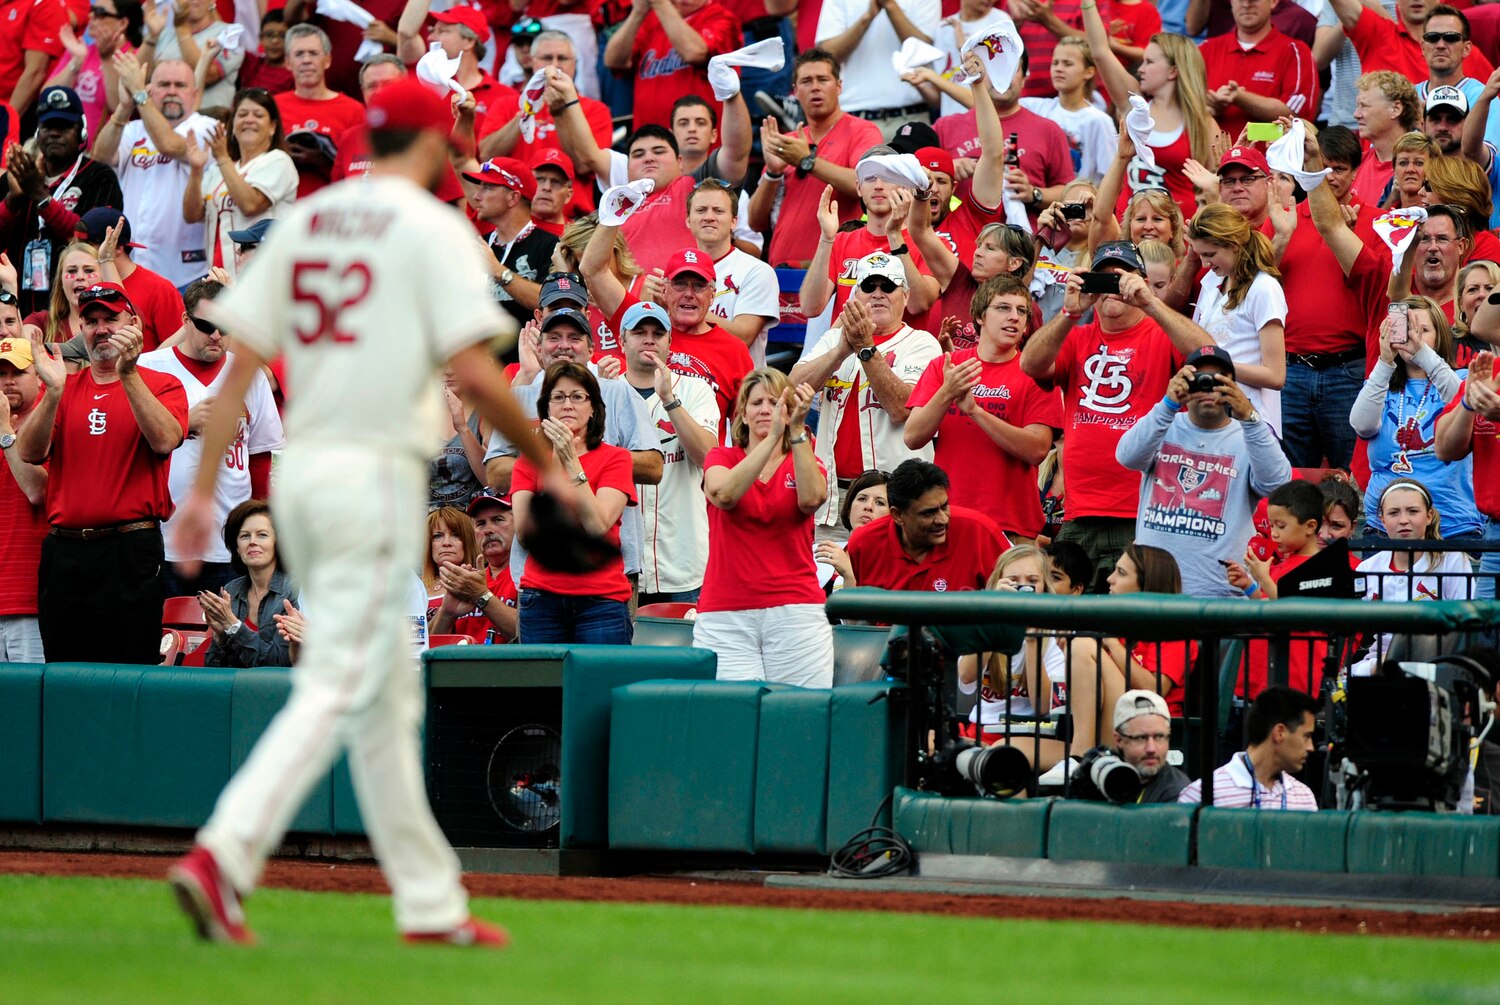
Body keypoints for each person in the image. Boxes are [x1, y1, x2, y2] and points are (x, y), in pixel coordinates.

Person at [167, 77, 558, 947]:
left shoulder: (309, 219)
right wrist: (548, 468)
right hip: (374, 472)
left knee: (388, 701)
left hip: (305, 472)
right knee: (343, 679)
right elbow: (480, 368)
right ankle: (222, 854)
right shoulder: (430, 227)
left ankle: (429, 903)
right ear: (427, 142)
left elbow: (239, 370)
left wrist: (200, 495)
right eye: (449, 138)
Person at [1020, 240, 1213, 593]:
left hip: (1143, 513)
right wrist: (1069, 312)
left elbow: (1208, 356)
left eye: (1119, 277)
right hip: (1080, 513)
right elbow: (1030, 364)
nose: (1111, 287)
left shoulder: (1160, 332)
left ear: (1138, 279)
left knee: (1129, 631)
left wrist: (1150, 302)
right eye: (1101, 278)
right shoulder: (1076, 337)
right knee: (1069, 630)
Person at [18, 281, 188, 666]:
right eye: (91, 320)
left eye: (110, 318)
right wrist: (54, 393)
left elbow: (165, 440)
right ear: (80, 329)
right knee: (63, 671)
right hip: (65, 551)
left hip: (128, 550)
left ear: (132, 321)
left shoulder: (162, 383)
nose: (101, 328)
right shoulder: (65, 387)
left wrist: (128, 374)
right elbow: (29, 452)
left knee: (129, 672)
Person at [481, 307, 664, 597]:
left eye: (574, 337)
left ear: (591, 347)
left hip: (608, 573)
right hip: (537, 576)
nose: (564, 345)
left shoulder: (618, 392)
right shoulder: (519, 397)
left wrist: (586, 461)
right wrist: (560, 462)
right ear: (539, 348)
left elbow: (654, 466)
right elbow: (495, 472)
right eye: (554, 337)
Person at [141, 277, 282, 596]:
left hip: (228, 542)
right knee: (166, 641)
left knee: (229, 641)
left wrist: (258, 529)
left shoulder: (249, 375)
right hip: (164, 540)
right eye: (206, 325)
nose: (217, 335)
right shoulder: (148, 368)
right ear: (185, 321)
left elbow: (260, 457)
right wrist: (182, 423)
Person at [1116, 345, 1292, 598]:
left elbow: (1278, 486)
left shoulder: (1251, 435)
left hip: (1220, 595)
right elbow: (1127, 456)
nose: (1208, 387)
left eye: (1218, 379)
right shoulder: (1163, 424)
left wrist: (1249, 416)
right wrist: (1167, 404)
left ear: (1234, 385)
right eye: (1199, 379)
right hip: (1154, 591)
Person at [695, 368, 831, 686]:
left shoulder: (803, 456)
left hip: (796, 610)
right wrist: (772, 439)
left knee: (799, 716)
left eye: (775, 402)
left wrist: (796, 431)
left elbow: (812, 500)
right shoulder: (721, 456)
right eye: (756, 403)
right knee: (731, 719)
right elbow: (723, 494)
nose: (766, 410)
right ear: (742, 412)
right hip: (725, 614)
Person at [790, 252, 942, 533]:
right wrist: (839, 352)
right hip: (833, 499)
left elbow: (901, 409)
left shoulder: (923, 344)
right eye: (869, 286)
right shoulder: (835, 340)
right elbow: (792, 391)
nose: (878, 293)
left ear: (905, 296)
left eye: (888, 286)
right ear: (855, 296)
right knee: (830, 577)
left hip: (896, 501)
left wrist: (865, 348)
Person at [906, 274, 1061, 543]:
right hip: (947, 518)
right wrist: (947, 393)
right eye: (1003, 308)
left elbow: (1037, 449)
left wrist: (976, 411)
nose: (1014, 316)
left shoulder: (1036, 373)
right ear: (979, 316)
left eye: (1021, 311)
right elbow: (912, 436)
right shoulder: (946, 367)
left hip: (1012, 525)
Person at [1275, 122, 1382, 472]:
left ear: (1356, 171)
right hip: (1290, 370)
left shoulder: (1379, 222)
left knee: (1350, 478)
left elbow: (1374, 283)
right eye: (1323, 166)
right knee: (1290, 482)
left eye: (1339, 168)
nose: (1331, 176)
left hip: (1347, 371)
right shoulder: (1285, 219)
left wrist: (1345, 239)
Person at [509, 361, 635, 642]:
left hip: (601, 602)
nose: (568, 405)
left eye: (578, 397)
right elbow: (525, 534)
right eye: (558, 397)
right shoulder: (528, 464)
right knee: (545, 687)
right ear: (546, 409)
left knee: (600, 686)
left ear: (593, 409)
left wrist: (570, 460)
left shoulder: (616, 458)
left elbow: (597, 525)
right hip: (541, 600)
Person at [1351, 296, 1478, 540]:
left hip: (1453, 524)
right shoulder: (1380, 382)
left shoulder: (1461, 379)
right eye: (1406, 329)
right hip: (1386, 526)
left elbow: (1462, 402)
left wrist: (1424, 354)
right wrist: (1385, 360)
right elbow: (1362, 426)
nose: (1413, 336)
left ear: (1439, 336)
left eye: (1423, 331)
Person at [619, 301, 719, 606]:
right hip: (620, 562)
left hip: (683, 560)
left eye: (657, 333)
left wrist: (669, 400)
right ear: (622, 340)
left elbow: (708, 457)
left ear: (669, 342)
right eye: (639, 332)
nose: (649, 339)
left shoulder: (695, 389)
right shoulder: (604, 391)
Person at [92, 54, 219, 290]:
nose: (171, 91)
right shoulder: (132, 129)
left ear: (194, 92)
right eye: (163, 85)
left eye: (179, 85)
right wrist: (124, 107)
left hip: (186, 273)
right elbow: (100, 159)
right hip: (131, 269)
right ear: (152, 90)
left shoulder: (206, 127)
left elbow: (170, 145)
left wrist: (140, 96)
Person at [1083, 7, 1221, 221]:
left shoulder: (1202, 122)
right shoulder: (1134, 107)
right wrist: (1087, 4)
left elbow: (1214, 187)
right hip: (1128, 231)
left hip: (1177, 237)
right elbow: (1100, 52)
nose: (1141, 69)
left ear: (1173, 71)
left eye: (1150, 62)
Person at [753, 48, 883, 268]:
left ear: (839, 86)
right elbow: (755, 222)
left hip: (839, 269)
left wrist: (808, 161)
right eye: (806, 81)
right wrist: (773, 174)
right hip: (782, 269)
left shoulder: (862, 131)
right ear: (795, 91)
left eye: (822, 79)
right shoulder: (788, 141)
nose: (815, 87)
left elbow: (868, 185)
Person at [0, 86, 123, 316]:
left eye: (65, 126)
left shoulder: (100, 177)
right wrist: (13, 199)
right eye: (48, 126)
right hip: (18, 309)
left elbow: (91, 241)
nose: (55, 133)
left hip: (78, 310)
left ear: (82, 132)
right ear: (38, 133)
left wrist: (40, 196)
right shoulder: (17, 176)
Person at [479, 31, 614, 218]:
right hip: (514, 217)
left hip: (571, 221)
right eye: (547, 58)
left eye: (563, 58)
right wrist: (528, 109)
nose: (555, 66)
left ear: (575, 64)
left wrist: (560, 115)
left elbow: (584, 166)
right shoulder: (506, 105)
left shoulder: (595, 110)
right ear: (532, 62)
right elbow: (487, 155)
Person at [1348, 478, 1475, 676]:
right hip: (1380, 662)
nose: (1403, 520)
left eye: (1413, 511)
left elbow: (1467, 623)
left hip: (1440, 659)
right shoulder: (1368, 567)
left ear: (1429, 516)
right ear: (1382, 520)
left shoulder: (1452, 559)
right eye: (1393, 513)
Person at [934, 52, 1075, 226]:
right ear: (978, 75)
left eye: (1011, 69)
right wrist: (947, 169)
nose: (1002, 76)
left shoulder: (1049, 130)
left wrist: (1034, 194)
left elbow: (1069, 193)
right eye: (994, 68)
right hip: (961, 239)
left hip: (1027, 243)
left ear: (1024, 78)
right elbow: (916, 179)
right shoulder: (946, 126)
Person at [1186, 201, 1287, 435]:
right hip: (1211, 416)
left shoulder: (1264, 288)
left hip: (1250, 420)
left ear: (1233, 245)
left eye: (1210, 254)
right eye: (1200, 255)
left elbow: (1275, 375)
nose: (1204, 264)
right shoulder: (1211, 282)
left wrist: (1216, 367)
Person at [800, 169, 938, 339]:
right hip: (848, 358)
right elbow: (810, 308)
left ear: (903, 186)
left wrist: (895, 235)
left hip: (901, 359)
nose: (878, 186)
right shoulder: (840, 241)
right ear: (859, 187)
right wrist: (826, 238)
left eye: (887, 178)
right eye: (870, 178)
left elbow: (918, 304)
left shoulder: (927, 245)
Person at [844, 458, 1010, 591]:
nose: (942, 519)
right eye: (928, 513)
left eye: (944, 506)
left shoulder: (980, 532)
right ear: (898, 515)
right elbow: (864, 622)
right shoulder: (864, 543)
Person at [184, 88, 298, 281]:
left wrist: (221, 157)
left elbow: (250, 205)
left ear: (272, 126)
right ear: (233, 126)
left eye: (258, 115)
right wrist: (196, 170)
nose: (249, 120)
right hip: (218, 280)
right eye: (242, 114)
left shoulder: (279, 161)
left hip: (262, 279)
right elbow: (192, 215)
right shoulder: (218, 169)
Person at [603, 0, 741, 132]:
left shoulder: (721, 18)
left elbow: (694, 53)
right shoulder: (652, 19)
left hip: (697, 141)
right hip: (651, 139)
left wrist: (661, 4)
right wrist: (638, 13)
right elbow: (613, 61)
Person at [1178, 684, 1320, 810]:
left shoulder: (1304, 797)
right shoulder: (1201, 795)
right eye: (1306, 736)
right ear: (1279, 732)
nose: (1311, 747)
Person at [685, 179, 777, 363]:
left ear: (734, 221)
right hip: (685, 384)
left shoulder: (757, 271)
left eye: (718, 211)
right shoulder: (675, 270)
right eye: (701, 210)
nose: (709, 217)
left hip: (739, 387)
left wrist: (680, 309)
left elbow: (743, 338)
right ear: (688, 220)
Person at [1197, 0, 1318, 139]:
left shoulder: (1296, 52)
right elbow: (1177, 105)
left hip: (1270, 159)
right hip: (1210, 158)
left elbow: (1296, 115)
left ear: (1273, 2)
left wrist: (1239, 97)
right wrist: (1206, 108)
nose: (1246, 4)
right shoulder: (1205, 49)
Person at [814, 0, 939, 135]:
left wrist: (890, 5)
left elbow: (925, 50)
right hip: (855, 118)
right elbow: (826, 57)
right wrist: (867, 18)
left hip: (911, 118)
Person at [200, 499, 300, 668]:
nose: (252, 541)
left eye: (262, 535)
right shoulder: (230, 590)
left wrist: (233, 625)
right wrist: (220, 636)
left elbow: (279, 662)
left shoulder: (293, 590)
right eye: (245, 536)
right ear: (237, 548)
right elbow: (213, 670)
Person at [459, 156, 557, 323]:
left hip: (527, 348)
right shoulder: (477, 246)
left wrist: (497, 271)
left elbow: (551, 303)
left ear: (513, 197)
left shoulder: (551, 245)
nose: (476, 196)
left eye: (488, 187)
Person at [1435, 350, 1500, 599]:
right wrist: (1468, 404)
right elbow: (1444, 449)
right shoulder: (1485, 371)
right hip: (1496, 533)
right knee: (1486, 635)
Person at [273, 25, 366, 198]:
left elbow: (361, 170)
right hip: (280, 210)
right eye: (299, 54)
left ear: (327, 60)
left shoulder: (354, 110)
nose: (306, 60)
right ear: (287, 62)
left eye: (313, 53)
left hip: (333, 208)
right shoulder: (273, 106)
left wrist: (323, 161)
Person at [0, 336, 49, 662]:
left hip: (29, 597)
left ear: (39, 375)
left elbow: (38, 491)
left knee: (31, 706)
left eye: (17, 372)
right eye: (0, 374)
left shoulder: (50, 418)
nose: (7, 382)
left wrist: (5, 430)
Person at [75, 208, 185, 352]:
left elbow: (178, 350)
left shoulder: (159, 289)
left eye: (89, 246)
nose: (80, 253)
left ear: (118, 248)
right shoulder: (86, 285)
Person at [1018, 37, 1118, 184]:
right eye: (1055, 63)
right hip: (1043, 201)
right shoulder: (1035, 107)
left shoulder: (1099, 121)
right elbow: (992, 106)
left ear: (1089, 72)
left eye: (1067, 64)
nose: (1058, 68)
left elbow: (1111, 178)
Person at [1331, 0, 1493, 90]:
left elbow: (1494, 105)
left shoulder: (1463, 50)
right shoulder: (1377, 34)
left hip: (1449, 150)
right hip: (1384, 150)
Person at [395, 2, 509, 121]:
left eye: (442, 31)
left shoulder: (504, 97)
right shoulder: (426, 80)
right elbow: (405, 33)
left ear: (469, 41)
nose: (430, 38)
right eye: (432, 31)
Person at [429, 491, 519, 643]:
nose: (488, 529)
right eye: (480, 523)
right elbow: (430, 650)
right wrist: (447, 613)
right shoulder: (466, 581)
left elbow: (529, 634)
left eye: (498, 520)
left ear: (518, 524)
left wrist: (480, 595)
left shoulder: (528, 576)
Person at [45, 0, 137, 147]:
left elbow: (119, 106)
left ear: (122, 24)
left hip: (105, 154)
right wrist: (76, 63)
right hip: (67, 151)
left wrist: (106, 57)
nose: (90, 16)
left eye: (99, 12)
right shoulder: (81, 50)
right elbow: (47, 97)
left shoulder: (133, 58)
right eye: (91, 10)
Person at [139, 0, 243, 108]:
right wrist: (152, 37)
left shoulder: (231, 33)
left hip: (208, 118)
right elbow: (139, 78)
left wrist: (181, 28)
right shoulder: (164, 33)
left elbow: (207, 76)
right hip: (162, 119)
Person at [1102, 690, 1191, 803]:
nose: (1151, 749)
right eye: (1141, 738)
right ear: (1119, 740)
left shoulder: (1178, 792)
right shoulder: (1101, 777)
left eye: (1159, 737)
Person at [1349, 71, 1419, 205]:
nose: (1356, 114)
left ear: (1395, 109)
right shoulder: (1356, 164)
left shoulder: (1420, 169)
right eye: (1358, 106)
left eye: (1364, 106)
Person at [814, 468, 889, 585]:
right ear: (849, 509)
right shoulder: (818, 553)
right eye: (862, 499)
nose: (868, 506)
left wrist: (849, 574)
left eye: (880, 502)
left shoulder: (896, 566)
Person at [429, 366, 489, 511]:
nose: (449, 371)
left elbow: (490, 481)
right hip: (426, 524)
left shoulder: (484, 413)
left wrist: (463, 428)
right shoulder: (418, 413)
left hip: (470, 522)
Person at [421, 505, 479, 613]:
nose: (446, 543)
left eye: (456, 535)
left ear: (468, 541)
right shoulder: (416, 587)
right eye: (437, 536)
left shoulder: (480, 583)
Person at [238, 10, 293, 94]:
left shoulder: (293, 75)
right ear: (261, 38)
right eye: (269, 35)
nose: (275, 41)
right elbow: (224, 34)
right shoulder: (251, 63)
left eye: (282, 36)